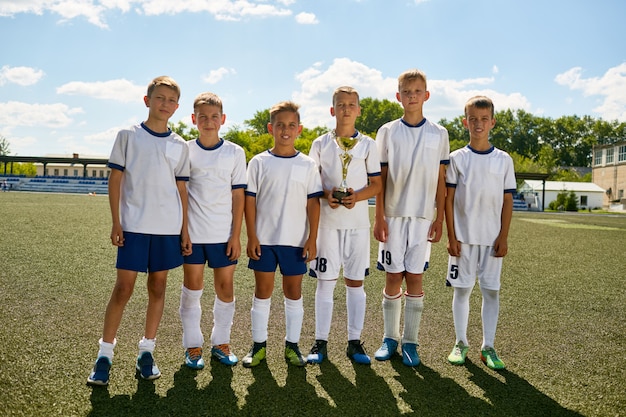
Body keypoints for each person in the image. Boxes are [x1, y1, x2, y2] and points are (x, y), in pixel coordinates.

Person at [87, 76, 191, 386]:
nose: (165, 104)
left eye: (171, 100)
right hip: (133, 226)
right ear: (147, 101)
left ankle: (147, 351)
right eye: (160, 98)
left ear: (177, 107)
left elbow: (182, 190)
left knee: (158, 288)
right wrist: (116, 221)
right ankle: (105, 354)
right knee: (123, 289)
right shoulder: (128, 136)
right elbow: (115, 180)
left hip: (167, 229)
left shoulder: (180, 145)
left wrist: (184, 230)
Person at [373, 69, 449, 367]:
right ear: (398, 96)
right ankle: (390, 338)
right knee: (393, 276)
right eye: (407, 92)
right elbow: (381, 176)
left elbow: (442, 179)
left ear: (426, 95)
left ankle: (411, 342)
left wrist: (439, 217)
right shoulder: (388, 131)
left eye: (418, 91)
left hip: (422, 218)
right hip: (392, 215)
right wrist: (379, 216)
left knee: (415, 277)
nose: (412, 96)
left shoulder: (439, 133)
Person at [243, 101, 323, 368]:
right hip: (264, 240)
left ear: (299, 129)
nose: (285, 130)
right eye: (280, 125)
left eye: (291, 125)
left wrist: (312, 238)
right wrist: (252, 236)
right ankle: (258, 347)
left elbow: (313, 202)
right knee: (262, 292)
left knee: (294, 293)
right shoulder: (258, 162)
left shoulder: (308, 164)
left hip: (296, 241)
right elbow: (250, 201)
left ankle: (292, 346)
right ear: (270, 128)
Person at [306, 86, 381, 365]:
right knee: (325, 284)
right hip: (327, 224)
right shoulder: (320, 144)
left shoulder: (369, 145)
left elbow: (377, 184)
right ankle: (320, 342)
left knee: (355, 283)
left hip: (358, 225)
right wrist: (328, 194)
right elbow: (313, 183)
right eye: (341, 104)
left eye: (352, 105)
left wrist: (356, 197)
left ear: (359, 110)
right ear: (332, 109)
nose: (346, 109)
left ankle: (354, 342)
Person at [444, 96, 515, 370]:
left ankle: (488, 347)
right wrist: (451, 237)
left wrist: (504, 236)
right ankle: (461, 343)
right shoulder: (456, 159)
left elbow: (508, 201)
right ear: (465, 122)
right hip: (463, 239)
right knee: (461, 291)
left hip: (492, 240)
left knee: (491, 293)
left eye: (484, 119)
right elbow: (448, 199)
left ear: (492, 122)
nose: (478, 124)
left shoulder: (504, 160)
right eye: (473, 119)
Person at [179, 92, 247, 369]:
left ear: (223, 119)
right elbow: (181, 192)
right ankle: (192, 346)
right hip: (193, 234)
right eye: (203, 117)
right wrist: (183, 232)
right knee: (192, 288)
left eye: (214, 117)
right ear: (194, 119)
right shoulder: (185, 150)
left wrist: (235, 235)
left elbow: (239, 196)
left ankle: (221, 343)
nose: (209, 121)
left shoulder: (235, 151)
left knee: (225, 288)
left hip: (223, 234)